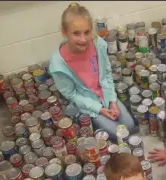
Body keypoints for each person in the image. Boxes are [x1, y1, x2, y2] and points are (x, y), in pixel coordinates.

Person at [49, 3, 136, 141]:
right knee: (117, 135)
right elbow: (71, 94)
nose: (83, 39)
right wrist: (99, 109)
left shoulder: (98, 44)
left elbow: (107, 74)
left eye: (87, 32)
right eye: (76, 33)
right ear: (64, 32)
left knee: (130, 127)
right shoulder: (58, 64)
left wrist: (112, 101)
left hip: (106, 96)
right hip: (88, 104)